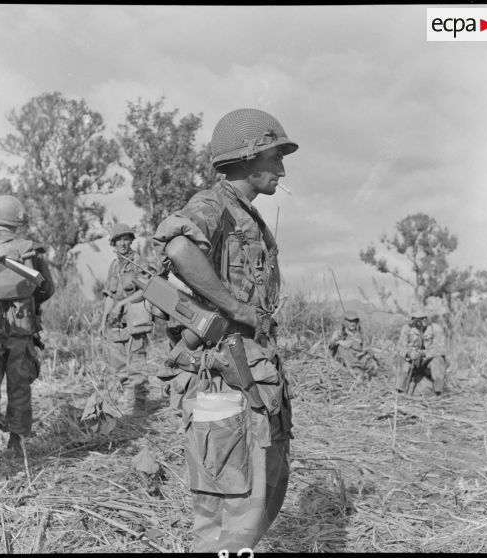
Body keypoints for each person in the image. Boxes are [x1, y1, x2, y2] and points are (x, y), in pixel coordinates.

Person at [153, 108, 298, 552]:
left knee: (261, 490)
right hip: (222, 380)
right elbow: (178, 247)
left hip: (248, 377)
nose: (282, 168)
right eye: (275, 157)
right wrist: (239, 309)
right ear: (249, 157)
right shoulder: (213, 205)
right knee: (229, 508)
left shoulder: (244, 215)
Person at [0, 195, 54, 465]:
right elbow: (47, 289)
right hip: (21, 328)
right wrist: (27, 303)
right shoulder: (31, 250)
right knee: (19, 387)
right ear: (18, 222)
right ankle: (17, 445)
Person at [99, 223, 157, 412]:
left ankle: (139, 406)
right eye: (118, 240)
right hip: (116, 324)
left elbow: (148, 290)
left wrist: (122, 304)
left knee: (137, 366)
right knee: (118, 367)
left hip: (136, 320)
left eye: (126, 239)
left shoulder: (139, 262)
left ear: (131, 241)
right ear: (113, 244)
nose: (122, 244)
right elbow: (110, 295)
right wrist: (103, 321)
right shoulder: (114, 266)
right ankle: (126, 401)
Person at [396, 307, 447, 395]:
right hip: (411, 361)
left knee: (439, 360)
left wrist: (424, 353)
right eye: (416, 318)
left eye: (424, 318)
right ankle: (400, 391)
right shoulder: (406, 328)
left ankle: (438, 392)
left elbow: (441, 348)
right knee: (401, 360)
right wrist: (409, 353)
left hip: (428, 362)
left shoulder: (436, 328)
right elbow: (399, 347)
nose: (421, 321)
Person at [328, 311, 377, 378]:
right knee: (341, 348)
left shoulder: (360, 335)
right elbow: (330, 346)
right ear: (345, 322)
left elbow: (366, 348)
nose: (353, 323)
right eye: (350, 321)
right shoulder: (338, 333)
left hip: (358, 360)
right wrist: (339, 342)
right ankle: (354, 371)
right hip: (345, 362)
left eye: (355, 321)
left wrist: (365, 351)